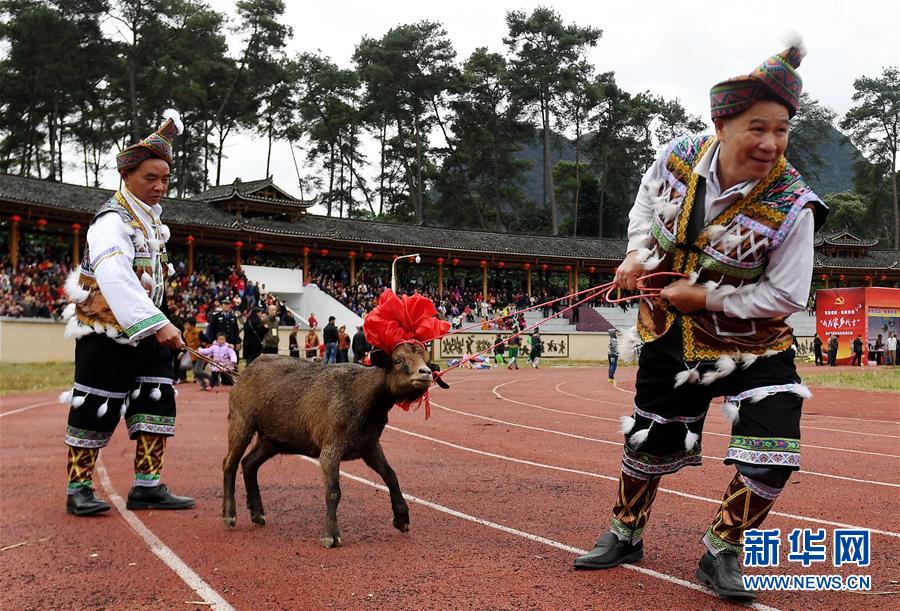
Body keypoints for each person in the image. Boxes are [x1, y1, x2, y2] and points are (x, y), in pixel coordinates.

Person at [573, 43, 829, 603]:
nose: (770, 143)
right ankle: (625, 532)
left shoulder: (794, 204)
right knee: (650, 440)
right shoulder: (677, 157)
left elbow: (786, 292)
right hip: (667, 333)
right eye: (756, 127)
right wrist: (637, 253)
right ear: (721, 123)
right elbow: (644, 209)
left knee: (775, 442)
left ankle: (722, 549)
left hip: (751, 344)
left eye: (782, 130)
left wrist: (706, 300)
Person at [58, 109, 195, 515]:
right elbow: (115, 276)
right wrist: (158, 324)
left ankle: (147, 485)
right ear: (127, 176)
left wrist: (159, 323)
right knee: (94, 403)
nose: (159, 186)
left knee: (156, 397)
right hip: (106, 329)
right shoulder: (110, 222)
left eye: (165, 179)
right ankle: (79, 488)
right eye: (150, 178)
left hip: (149, 326)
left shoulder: (152, 221)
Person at [183, 318, 211, 391]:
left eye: (187, 325)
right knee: (195, 372)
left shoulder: (198, 332)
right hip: (192, 355)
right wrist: (182, 352)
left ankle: (210, 377)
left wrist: (203, 347)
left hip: (200, 354)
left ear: (192, 326)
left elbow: (208, 340)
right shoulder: (185, 334)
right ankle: (204, 385)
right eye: (185, 325)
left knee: (197, 371)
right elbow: (186, 344)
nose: (185, 326)